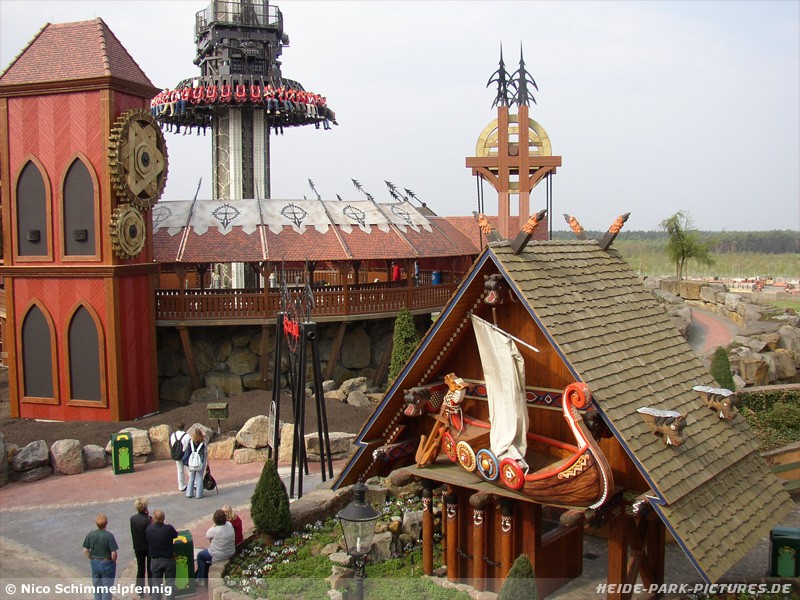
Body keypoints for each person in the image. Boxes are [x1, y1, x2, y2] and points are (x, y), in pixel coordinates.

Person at [82, 513, 118, 600]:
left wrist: (91, 558)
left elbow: (85, 550)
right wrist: (113, 561)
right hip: (107, 562)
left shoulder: (91, 534)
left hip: (95, 562)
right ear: (106, 523)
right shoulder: (109, 536)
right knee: (107, 588)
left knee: (97, 587)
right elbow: (114, 553)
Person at [195, 509, 235, 585]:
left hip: (218, 555)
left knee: (200, 555)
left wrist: (214, 525)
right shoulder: (229, 525)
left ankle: (201, 579)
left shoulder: (214, 530)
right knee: (206, 553)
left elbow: (207, 535)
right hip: (230, 551)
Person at [146, 509, 178, 600]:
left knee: (156, 584)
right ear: (163, 518)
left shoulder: (149, 529)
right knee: (170, 583)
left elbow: (147, 539)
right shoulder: (169, 529)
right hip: (168, 559)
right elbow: (176, 535)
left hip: (155, 560)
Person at [130, 497, 152, 597]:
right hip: (148, 546)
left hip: (138, 546)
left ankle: (140, 590)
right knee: (150, 569)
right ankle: (152, 589)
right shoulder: (149, 519)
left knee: (141, 569)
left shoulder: (132, 519)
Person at [183, 428, 206, 499]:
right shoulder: (203, 443)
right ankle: (199, 494)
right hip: (200, 462)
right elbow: (205, 453)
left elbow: (185, 450)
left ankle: (189, 493)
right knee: (199, 477)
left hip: (192, 462)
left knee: (192, 476)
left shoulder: (190, 442)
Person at [169, 422, 190, 491]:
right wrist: (183, 450)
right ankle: (194, 484)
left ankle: (181, 486)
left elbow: (172, 444)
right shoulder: (187, 435)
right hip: (185, 454)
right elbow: (187, 445)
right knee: (189, 470)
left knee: (180, 470)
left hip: (177, 454)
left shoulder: (173, 435)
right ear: (184, 427)